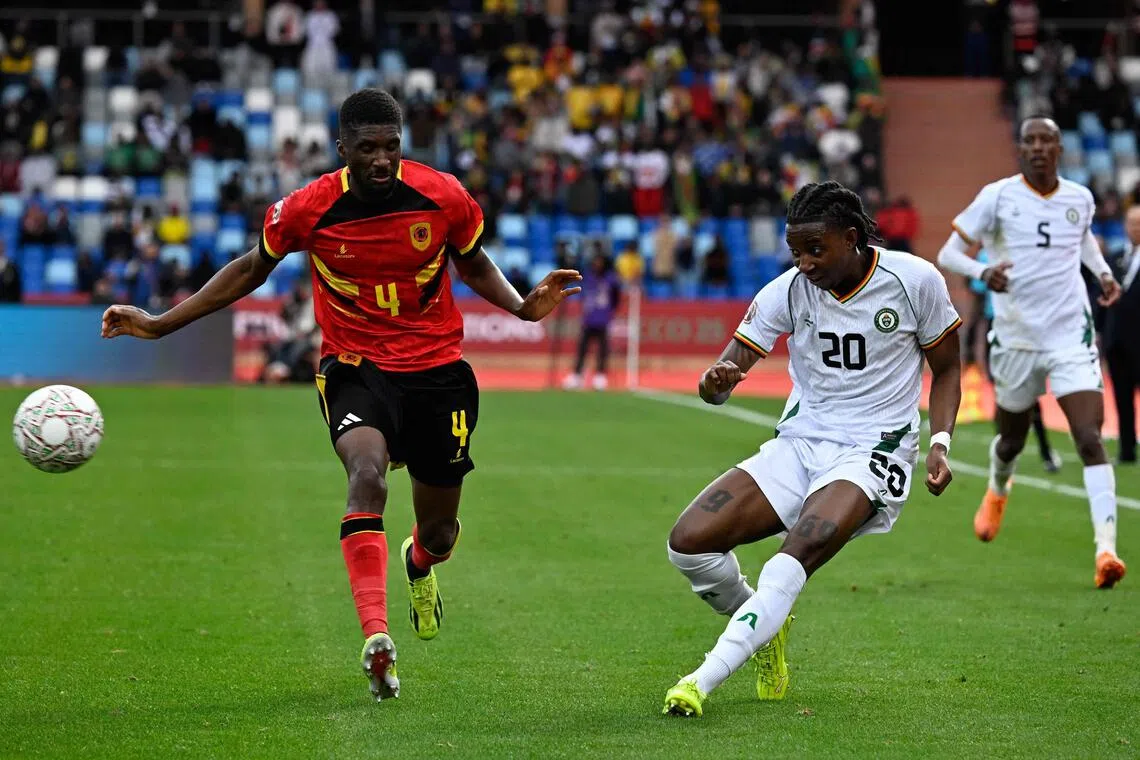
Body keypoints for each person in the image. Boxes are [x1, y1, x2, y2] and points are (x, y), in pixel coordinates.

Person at [101, 88, 582, 702]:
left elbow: (473, 261)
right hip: (356, 366)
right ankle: (377, 640)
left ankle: (419, 564)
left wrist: (521, 306)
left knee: (441, 534)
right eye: (367, 148)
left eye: (391, 146)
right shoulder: (309, 208)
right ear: (342, 150)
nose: (381, 159)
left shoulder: (443, 196)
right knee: (367, 476)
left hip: (438, 371)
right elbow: (252, 269)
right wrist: (162, 323)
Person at [662, 182, 962, 717]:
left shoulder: (914, 280)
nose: (804, 262)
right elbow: (721, 380)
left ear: (851, 238)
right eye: (795, 250)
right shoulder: (788, 290)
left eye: (815, 249)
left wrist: (940, 442)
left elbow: (948, 368)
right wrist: (716, 381)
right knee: (687, 545)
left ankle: (699, 681)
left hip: (875, 449)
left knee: (790, 560)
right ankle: (764, 626)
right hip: (800, 444)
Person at [937, 116, 1126, 589]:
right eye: (1030, 141)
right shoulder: (998, 196)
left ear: (1060, 148)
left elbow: (1082, 241)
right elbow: (948, 253)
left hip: (1070, 335)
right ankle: (999, 488)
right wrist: (982, 273)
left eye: (1047, 141)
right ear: (1020, 148)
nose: (1039, 148)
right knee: (1012, 440)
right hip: (1017, 337)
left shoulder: (1079, 198)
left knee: (1089, 436)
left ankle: (1106, 550)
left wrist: (1102, 274)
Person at [967, 248, 1063, 472]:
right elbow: (979, 297)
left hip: (1026, 329)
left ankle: (1045, 450)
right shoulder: (985, 254)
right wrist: (972, 336)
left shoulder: (1031, 249)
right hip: (998, 328)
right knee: (1000, 390)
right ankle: (1004, 451)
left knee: (1030, 391)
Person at [1104, 206, 1140, 465]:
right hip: (1116, 340)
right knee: (1121, 398)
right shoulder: (1116, 258)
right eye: (1131, 224)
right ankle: (1126, 451)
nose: (1135, 229)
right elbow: (1102, 298)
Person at [563, 248, 621, 391]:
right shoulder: (588, 276)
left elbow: (616, 298)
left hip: (603, 319)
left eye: (599, 262)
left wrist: (609, 312)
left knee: (602, 349)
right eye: (595, 261)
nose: (597, 264)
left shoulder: (611, 279)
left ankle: (600, 376)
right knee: (582, 349)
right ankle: (577, 375)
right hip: (588, 318)